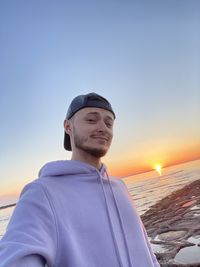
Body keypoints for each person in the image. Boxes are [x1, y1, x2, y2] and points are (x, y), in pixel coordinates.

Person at [0, 92, 160, 267]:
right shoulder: (42, 193)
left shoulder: (120, 187)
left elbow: (147, 251)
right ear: (68, 127)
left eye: (109, 123)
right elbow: (16, 257)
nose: (103, 128)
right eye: (91, 120)